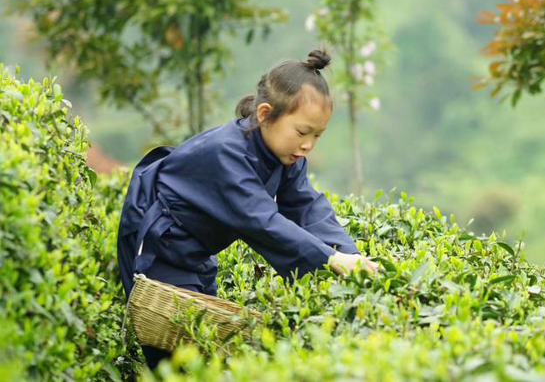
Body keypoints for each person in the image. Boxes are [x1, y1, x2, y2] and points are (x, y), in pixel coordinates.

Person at [116, 49, 378, 369]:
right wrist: (331, 259)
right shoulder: (226, 153)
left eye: (317, 135)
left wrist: (350, 255)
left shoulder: (286, 156)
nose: (308, 144)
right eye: (301, 132)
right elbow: (260, 220)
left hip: (198, 254)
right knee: (177, 359)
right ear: (266, 114)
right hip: (162, 247)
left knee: (206, 353)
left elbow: (307, 207)